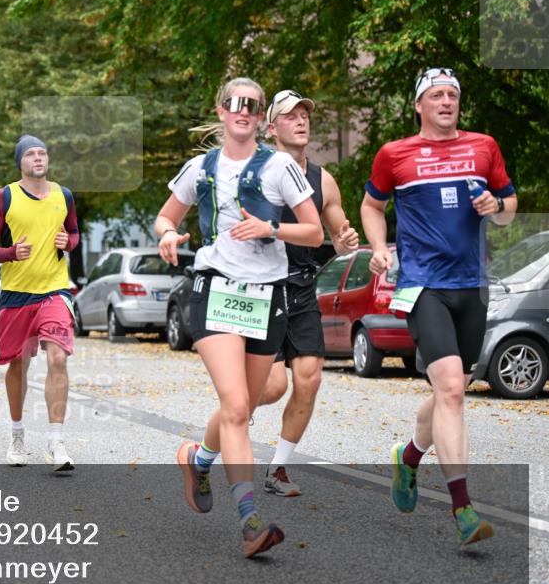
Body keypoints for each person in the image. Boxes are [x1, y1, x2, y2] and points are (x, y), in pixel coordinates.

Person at [156, 77, 323, 558]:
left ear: (260, 115)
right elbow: (166, 217)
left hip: (265, 298)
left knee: (245, 407)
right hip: (213, 292)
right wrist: (168, 235)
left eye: (252, 105)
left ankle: (197, 458)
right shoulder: (199, 168)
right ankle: (250, 522)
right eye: (235, 103)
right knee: (234, 408)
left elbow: (312, 232)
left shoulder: (280, 169)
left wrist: (272, 226)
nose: (243, 110)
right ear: (222, 109)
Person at [361, 68, 517, 546]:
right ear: (419, 105)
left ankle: (408, 458)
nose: (446, 101)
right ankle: (463, 510)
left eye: (453, 94)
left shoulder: (483, 146)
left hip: (472, 284)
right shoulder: (395, 154)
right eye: (436, 95)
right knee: (450, 388)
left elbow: (509, 208)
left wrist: (497, 208)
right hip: (422, 285)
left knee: (455, 386)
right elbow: (372, 205)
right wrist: (380, 246)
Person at [255, 90, 361, 496]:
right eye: (290, 115)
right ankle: (221, 431)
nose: (301, 121)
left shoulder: (323, 179)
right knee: (271, 388)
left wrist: (348, 241)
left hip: (300, 286)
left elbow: (339, 237)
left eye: (305, 115)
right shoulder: (257, 170)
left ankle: (277, 469)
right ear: (272, 127)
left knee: (309, 379)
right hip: (260, 288)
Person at [0, 135, 81, 472]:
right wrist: (10, 253)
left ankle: (55, 441)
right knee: (19, 365)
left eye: (43, 153)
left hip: (55, 290)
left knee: (58, 357)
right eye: (31, 154)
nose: (39, 158)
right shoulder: (4, 198)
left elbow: (74, 234)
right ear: (20, 161)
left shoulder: (63, 195)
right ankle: (17, 434)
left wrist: (69, 242)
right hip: (17, 295)